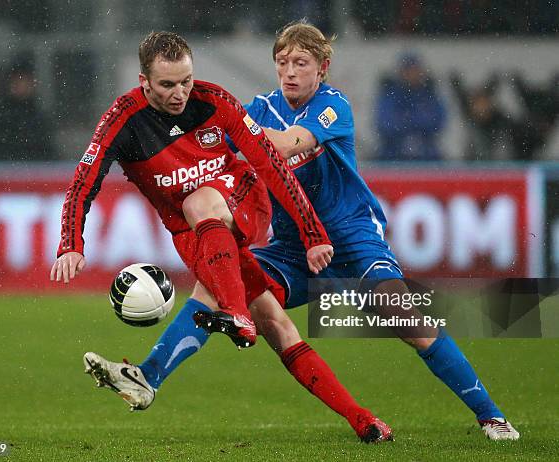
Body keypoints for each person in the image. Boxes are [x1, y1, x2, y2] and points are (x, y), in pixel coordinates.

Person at [136, 21, 520, 441]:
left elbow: (283, 144)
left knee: (404, 316)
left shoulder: (333, 105)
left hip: (352, 237)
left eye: (301, 62)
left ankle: (491, 416)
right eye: (282, 62)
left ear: (323, 67)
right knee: (214, 288)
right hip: (292, 248)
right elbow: (213, 148)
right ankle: (148, 377)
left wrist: (228, 127)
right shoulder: (259, 108)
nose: (290, 72)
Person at [50, 31, 391, 443]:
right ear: (144, 82)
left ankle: (235, 315)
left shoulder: (215, 101)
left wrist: (313, 232)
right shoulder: (123, 120)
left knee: (200, 201)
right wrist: (71, 241)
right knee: (278, 326)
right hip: (195, 236)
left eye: (186, 81)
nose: (180, 94)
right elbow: (84, 180)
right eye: (167, 85)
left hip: (243, 199)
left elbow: (270, 165)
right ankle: (363, 420)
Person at [0, 52, 55, 161]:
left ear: (33, 84)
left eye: (25, 81)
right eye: (17, 80)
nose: (21, 85)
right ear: (9, 82)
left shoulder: (39, 121)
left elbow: (47, 158)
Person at [375, 52, 447, 161]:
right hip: (393, 154)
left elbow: (438, 122)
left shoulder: (429, 94)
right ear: (400, 72)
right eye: (408, 70)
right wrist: (418, 122)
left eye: (415, 70)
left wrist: (406, 120)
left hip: (427, 154)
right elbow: (384, 124)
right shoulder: (390, 94)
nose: (412, 74)